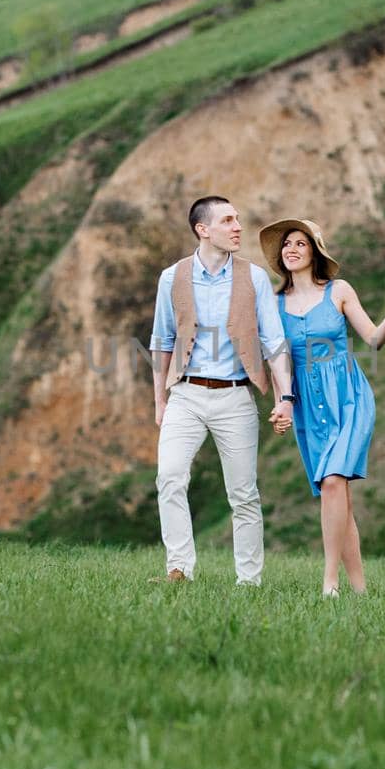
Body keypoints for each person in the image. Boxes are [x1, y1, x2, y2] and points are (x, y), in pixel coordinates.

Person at [258, 218, 385, 598]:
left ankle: (330, 582)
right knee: (337, 494)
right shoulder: (275, 305)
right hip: (308, 403)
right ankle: (360, 592)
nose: (291, 249)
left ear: (315, 251)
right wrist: (284, 404)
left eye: (300, 243)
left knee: (333, 481)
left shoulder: (339, 291)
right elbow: (279, 362)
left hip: (348, 396)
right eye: (286, 245)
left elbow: (374, 339)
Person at [149, 196, 295, 586]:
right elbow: (162, 340)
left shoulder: (254, 278)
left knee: (244, 494)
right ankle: (179, 569)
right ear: (203, 229)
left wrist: (285, 398)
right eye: (228, 220)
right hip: (185, 394)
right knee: (170, 478)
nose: (237, 227)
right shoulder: (172, 277)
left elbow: (274, 342)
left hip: (236, 397)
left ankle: (249, 581)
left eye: (238, 220)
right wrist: (160, 401)